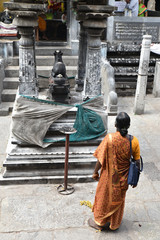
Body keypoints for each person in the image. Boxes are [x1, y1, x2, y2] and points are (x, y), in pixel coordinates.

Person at [88, 112, 141, 231]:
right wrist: (135, 180)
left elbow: (100, 159)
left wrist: (95, 172)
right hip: (124, 178)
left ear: (115, 124)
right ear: (128, 125)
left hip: (109, 177)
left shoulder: (109, 139)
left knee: (104, 197)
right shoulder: (134, 141)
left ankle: (100, 222)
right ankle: (114, 223)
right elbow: (137, 162)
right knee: (118, 200)